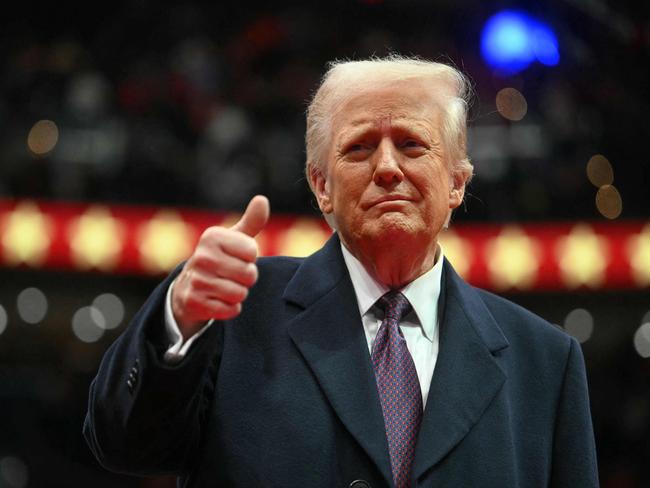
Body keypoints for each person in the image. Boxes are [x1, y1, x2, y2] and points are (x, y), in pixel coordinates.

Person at [84, 55, 599, 488]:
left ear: (458, 181)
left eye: (412, 144)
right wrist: (179, 319)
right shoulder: (232, 311)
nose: (388, 167)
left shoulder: (546, 362)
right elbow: (123, 445)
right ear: (321, 185)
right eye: (359, 147)